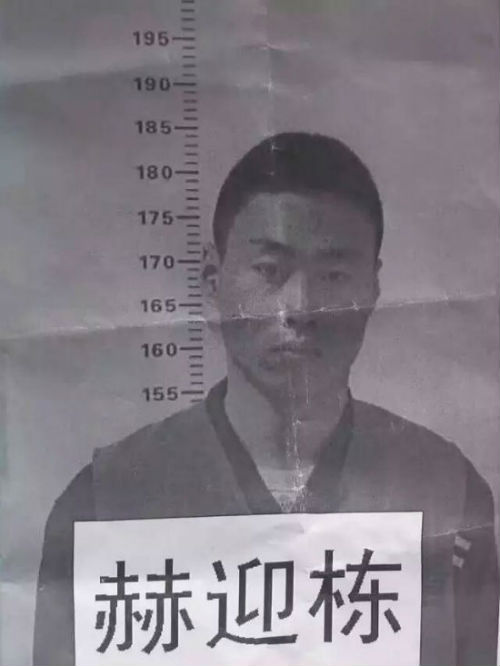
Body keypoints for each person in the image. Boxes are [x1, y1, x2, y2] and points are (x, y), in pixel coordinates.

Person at [34, 132, 499, 666]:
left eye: (334, 275)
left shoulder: (447, 492)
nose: (300, 307)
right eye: (269, 271)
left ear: (373, 289)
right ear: (213, 280)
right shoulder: (102, 502)